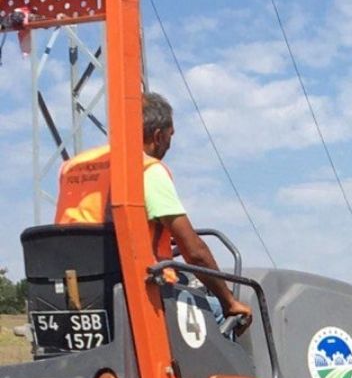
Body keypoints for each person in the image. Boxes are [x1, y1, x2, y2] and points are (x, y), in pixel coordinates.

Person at [55, 92, 252, 329]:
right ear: (158, 136)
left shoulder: (72, 168)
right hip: (142, 294)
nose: (169, 144)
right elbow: (195, 252)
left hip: (80, 293)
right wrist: (229, 300)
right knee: (221, 313)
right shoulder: (147, 170)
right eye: (170, 137)